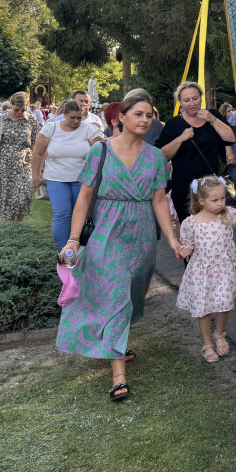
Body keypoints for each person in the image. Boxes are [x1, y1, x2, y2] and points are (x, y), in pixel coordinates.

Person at [55, 89, 182, 402]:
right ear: (120, 117)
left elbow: (158, 201)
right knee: (114, 295)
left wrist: (171, 238)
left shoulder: (154, 156)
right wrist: (73, 239)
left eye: (149, 115)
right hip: (106, 231)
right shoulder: (99, 152)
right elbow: (85, 197)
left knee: (130, 294)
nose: (145, 120)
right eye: (138, 114)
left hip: (141, 235)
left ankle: (115, 339)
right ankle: (118, 376)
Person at [176, 175, 236, 363]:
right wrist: (185, 250)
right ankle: (207, 343)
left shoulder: (227, 215)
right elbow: (188, 247)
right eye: (215, 200)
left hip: (224, 271)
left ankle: (219, 333)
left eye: (223, 198)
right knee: (204, 309)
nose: (220, 203)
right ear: (201, 201)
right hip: (202, 274)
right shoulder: (191, 223)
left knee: (224, 303)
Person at [157, 82, 236, 226]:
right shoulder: (174, 124)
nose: (191, 103)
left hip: (216, 188)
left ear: (201, 98)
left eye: (195, 98)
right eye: (186, 100)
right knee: (192, 236)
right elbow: (161, 156)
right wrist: (180, 139)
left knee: (220, 233)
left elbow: (231, 138)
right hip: (187, 192)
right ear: (180, 102)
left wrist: (212, 120)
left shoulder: (213, 115)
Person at [31, 99, 105, 249]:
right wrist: (35, 177)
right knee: (62, 213)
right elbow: (38, 154)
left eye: (80, 117)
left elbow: (102, 154)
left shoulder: (89, 130)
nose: (76, 121)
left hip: (83, 180)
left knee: (80, 215)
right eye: (73, 118)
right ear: (64, 114)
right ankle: (63, 251)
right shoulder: (50, 128)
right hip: (56, 179)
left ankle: (78, 248)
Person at [0, 92, 41, 222]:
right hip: (4, 164)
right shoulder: (1, 119)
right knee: (6, 199)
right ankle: (9, 227)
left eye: (23, 110)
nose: (19, 112)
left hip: (25, 164)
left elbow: (34, 145)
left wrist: (38, 167)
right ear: (11, 105)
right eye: (16, 109)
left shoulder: (31, 120)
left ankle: (17, 225)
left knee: (23, 197)